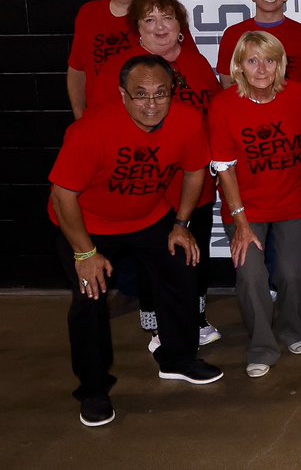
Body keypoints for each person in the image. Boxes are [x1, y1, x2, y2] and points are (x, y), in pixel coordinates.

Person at [50, 54, 223, 427]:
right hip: (88, 224)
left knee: (181, 263)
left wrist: (180, 223)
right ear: (122, 95)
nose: (151, 104)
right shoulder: (90, 131)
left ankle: (177, 358)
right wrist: (85, 253)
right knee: (90, 295)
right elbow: (63, 196)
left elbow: (195, 174)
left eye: (160, 94)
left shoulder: (188, 122)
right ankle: (94, 390)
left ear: (172, 92)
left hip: (147, 217)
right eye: (141, 95)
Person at [92, 0, 222, 348]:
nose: (160, 26)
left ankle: (196, 318)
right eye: (150, 20)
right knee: (158, 258)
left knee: (197, 254)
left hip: (196, 180)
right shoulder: (120, 69)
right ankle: (158, 324)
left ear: (180, 25)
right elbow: (102, 125)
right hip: (151, 183)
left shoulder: (195, 62)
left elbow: (212, 115)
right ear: (138, 28)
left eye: (167, 18)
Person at [209, 32, 301, 378]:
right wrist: (241, 222)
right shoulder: (223, 105)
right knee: (251, 274)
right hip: (247, 208)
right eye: (252, 60)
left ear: (280, 64)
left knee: (293, 272)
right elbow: (224, 168)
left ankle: (291, 329)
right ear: (239, 65)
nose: (261, 68)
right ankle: (261, 345)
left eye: (269, 60)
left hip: (295, 202)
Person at [67, 0, 145, 120]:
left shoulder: (160, 14)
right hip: (100, 120)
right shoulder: (89, 14)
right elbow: (77, 71)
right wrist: (81, 117)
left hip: (147, 121)